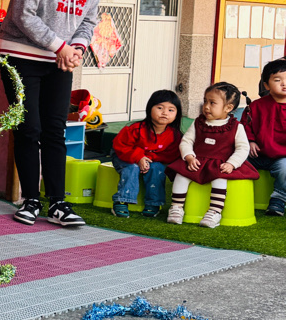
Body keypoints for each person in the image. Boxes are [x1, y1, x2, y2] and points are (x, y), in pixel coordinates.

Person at [0, 0, 121, 227]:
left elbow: (89, 20)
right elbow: (23, 13)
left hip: (60, 59)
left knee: (55, 130)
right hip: (21, 56)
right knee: (29, 129)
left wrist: (76, 48)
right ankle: (30, 200)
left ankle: (58, 203)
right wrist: (59, 46)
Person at [166, 82, 258, 228]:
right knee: (181, 175)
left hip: (221, 163)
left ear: (228, 108)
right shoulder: (198, 123)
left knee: (220, 178)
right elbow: (186, 141)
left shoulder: (236, 127)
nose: (206, 106)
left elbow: (242, 148)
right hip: (197, 161)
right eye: (205, 101)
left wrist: (232, 163)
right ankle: (176, 207)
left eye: (212, 103)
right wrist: (189, 156)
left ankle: (215, 211)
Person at [110, 90, 182, 218]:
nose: (165, 113)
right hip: (125, 156)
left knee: (157, 168)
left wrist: (148, 159)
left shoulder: (174, 135)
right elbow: (121, 146)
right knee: (132, 168)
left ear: (177, 114)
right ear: (150, 109)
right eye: (160, 108)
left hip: (151, 160)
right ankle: (122, 200)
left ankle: (153, 203)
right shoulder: (136, 128)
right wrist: (138, 157)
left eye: (171, 110)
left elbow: (171, 155)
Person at [243, 58, 286, 216]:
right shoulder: (256, 106)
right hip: (257, 154)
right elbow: (244, 126)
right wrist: (250, 141)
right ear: (266, 85)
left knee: (285, 169)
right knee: (233, 160)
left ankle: (279, 199)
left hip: (282, 157)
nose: (284, 84)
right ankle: (234, 194)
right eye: (277, 80)